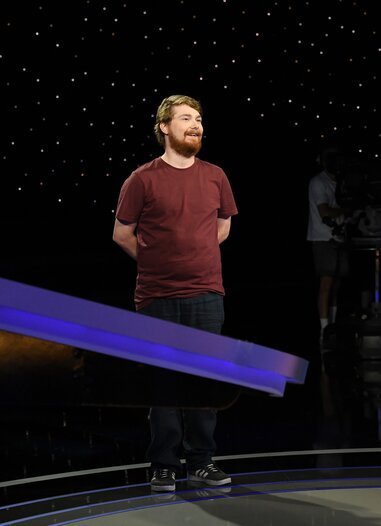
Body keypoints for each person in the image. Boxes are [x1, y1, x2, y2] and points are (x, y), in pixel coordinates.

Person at [112, 94, 238, 492]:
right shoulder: (142, 178)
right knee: (163, 383)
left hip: (205, 294)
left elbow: (223, 226)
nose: (196, 124)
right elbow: (121, 233)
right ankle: (163, 464)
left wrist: (195, 255)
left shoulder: (216, 175)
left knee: (203, 381)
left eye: (199, 118)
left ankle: (201, 460)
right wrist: (156, 261)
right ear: (165, 127)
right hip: (157, 297)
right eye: (186, 118)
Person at [307, 147, 351, 346]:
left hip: (340, 238)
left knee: (337, 284)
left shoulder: (340, 182)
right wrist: (347, 209)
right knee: (326, 284)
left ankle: (331, 325)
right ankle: (324, 330)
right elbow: (325, 212)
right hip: (323, 239)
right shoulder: (318, 182)